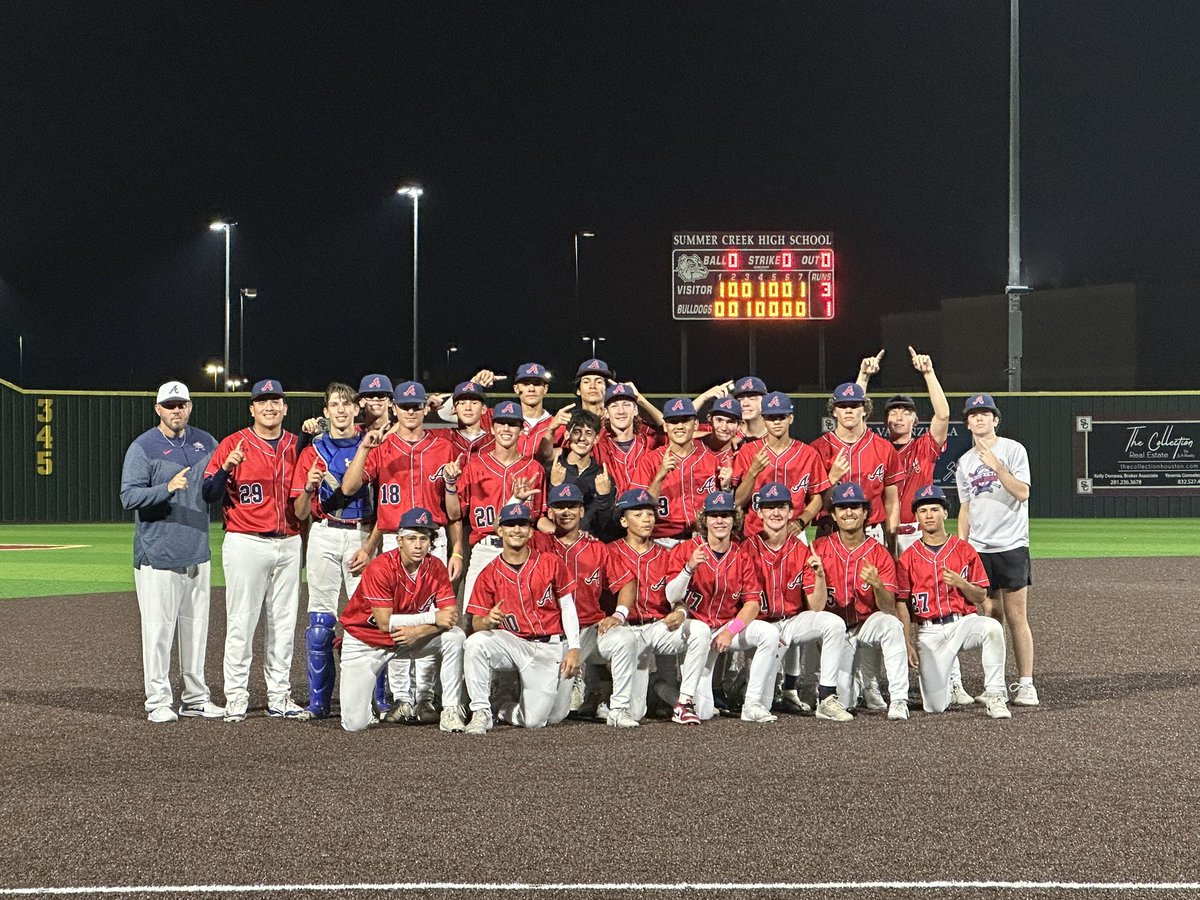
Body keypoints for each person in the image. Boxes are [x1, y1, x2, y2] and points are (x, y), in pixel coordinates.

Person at [340, 380, 462, 723]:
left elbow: (453, 512)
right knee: (391, 620)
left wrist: (457, 551)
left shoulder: (443, 446)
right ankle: (402, 697)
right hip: (393, 539)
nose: (411, 411)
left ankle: (424, 696)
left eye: (417, 406)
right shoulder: (380, 446)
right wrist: (364, 448)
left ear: (426, 408)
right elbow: (349, 488)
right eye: (405, 406)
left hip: (431, 539)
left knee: (435, 624)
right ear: (395, 408)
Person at [119, 381, 222, 724]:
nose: (177, 410)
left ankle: (195, 697)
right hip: (157, 554)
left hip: (197, 550)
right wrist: (166, 488)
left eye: (182, 404)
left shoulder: (206, 442)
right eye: (170, 404)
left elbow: (217, 487)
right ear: (158, 408)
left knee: (196, 630)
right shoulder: (143, 447)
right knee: (158, 631)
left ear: (190, 406)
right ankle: (158, 700)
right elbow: (129, 497)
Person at [202, 378, 304, 722]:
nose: (270, 407)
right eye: (263, 401)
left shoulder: (297, 445)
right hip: (245, 541)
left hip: (290, 541)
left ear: (285, 407)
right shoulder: (234, 443)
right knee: (241, 622)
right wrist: (228, 467)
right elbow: (209, 493)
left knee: (284, 623)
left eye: (276, 401)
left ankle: (280, 695)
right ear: (252, 408)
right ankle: (236, 696)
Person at [337, 507, 467, 733]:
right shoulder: (380, 567)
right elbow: (385, 624)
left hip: (406, 639)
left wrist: (418, 632)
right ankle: (369, 706)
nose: (418, 545)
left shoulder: (436, 567)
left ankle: (451, 709)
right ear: (399, 541)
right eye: (412, 538)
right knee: (354, 724)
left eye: (424, 538)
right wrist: (430, 618)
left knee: (455, 637)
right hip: (366, 641)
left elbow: (450, 617)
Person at [290, 382, 374, 720]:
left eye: (346, 403)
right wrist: (309, 489)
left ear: (356, 409)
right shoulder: (314, 450)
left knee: (369, 621)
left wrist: (371, 545)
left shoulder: (372, 443)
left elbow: (380, 499)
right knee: (321, 623)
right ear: (325, 412)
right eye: (334, 404)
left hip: (361, 533)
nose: (340, 409)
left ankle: (374, 699)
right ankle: (319, 703)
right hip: (324, 533)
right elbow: (298, 513)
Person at [461, 502, 582, 734]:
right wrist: (487, 620)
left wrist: (574, 647)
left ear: (530, 531)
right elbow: (476, 622)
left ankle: (501, 707)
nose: (516, 529)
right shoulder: (489, 573)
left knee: (545, 719)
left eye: (522, 525)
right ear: (500, 531)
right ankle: (481, 711)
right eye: (509, 525)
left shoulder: (550, 563)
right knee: (475, 643)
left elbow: (567, 605)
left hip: (549, 646)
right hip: (513, 643)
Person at [663, 491, 779, 724]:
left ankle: (752, 703)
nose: (720, 521)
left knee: (770, 633)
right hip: (695, 632)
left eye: (725, 515)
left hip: (725, 628)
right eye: (714, 515)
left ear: (733, 519)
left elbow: (752, 603)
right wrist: (689, 568)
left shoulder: (741, 556)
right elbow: (671, 596)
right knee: (704, 712)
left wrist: (731, 631)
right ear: (704, 520)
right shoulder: (686, 550)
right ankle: (661, 687)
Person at [897, 485, 1011, 718]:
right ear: (916, 516)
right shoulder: (908, 557)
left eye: (935, 509)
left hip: (963, 624)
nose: (929, 515)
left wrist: (962, 584)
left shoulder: (963, 549)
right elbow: (901, 603)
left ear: (945, 513)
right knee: (935, 706)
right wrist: (907, 641)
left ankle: (996, 694)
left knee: (991, 628)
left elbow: (980, 596)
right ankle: (949, 682)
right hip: (929, 633)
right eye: (923, 510)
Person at [744, 482, 853, 722]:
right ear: (759, 512)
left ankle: (826, 698)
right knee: (763, 702)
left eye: (781, 507)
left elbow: (816, 606)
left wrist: (821, 576)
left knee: (833, 623)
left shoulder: (802, 549)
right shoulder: (747, 549)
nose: (775, 513)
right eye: (769, 507)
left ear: (790, 511)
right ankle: (742, 691)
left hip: (792, 622)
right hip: (759, 626)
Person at [956, 393, 1038, 706]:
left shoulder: (1013, 450)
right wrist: (963, 544)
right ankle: (996, 684)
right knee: (990, 617)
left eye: (985, 413)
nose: (979, 418)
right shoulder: (964, 462)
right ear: (967, 423)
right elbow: (965, 507)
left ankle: (1027, 684)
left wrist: (998, 468)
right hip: (980, 549)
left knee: (1017, 616)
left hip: (1012, 544)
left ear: (995, 420)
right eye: (974, 414)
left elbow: (1022, 493)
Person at [805, 482, 911, 721]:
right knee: (844, 700)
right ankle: (852, 684)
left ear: (865, 513)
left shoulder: (878, 553)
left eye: (855, 507)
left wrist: (878, 585)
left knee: (892, 625)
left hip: (865, 624)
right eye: (842, 508)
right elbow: (814, 608)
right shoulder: (819, 549)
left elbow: (887, 606)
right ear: (833, 514)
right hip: (834, 632)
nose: (849, 512)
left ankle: (899, 699)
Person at [601, 488, 706, 726]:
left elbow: (677, 599)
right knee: (636, 713)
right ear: (623, 520)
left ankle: (684, 702)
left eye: (649, 513)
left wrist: (681, 612)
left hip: (657, 628)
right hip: (624, 632)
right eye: (638, 514)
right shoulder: (609, 552)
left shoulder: (666, 554)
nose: (646, 519)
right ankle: (656, 685)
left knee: (699, 630)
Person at [444, 399, 548, 608]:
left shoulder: (534, 468)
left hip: (521, 550)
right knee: (472, 616)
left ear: (522, 429)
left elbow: (538, 518)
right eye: (501, 423)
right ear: (492, 428)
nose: (506, 429)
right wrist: (450, 484)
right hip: (484, 548)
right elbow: (455, 514)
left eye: (512, 424)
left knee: (518, 614)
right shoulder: (474, 466)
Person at [532, 483, 619, 719]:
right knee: (550, 715)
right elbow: (507, 527)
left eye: (572, 506)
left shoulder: (597, 547)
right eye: (559, 507)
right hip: (549, 632)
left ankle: (615, 703)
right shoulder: (539, 543)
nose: (566, 512)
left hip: (588, 628)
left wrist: (619, 614)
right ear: (550, 513)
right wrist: (516, 501)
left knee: (626, 639)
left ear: (582, 511)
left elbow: (625, 582)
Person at [855, 347, 952, 554]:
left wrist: (929, 373)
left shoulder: (924, 447)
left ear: (915, 420)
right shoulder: (875, 448)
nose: (899, 417)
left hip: (917, 533)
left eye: (906, 412)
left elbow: (943, 416)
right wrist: (863, 377)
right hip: (879, 531)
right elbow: (855, 416)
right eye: (894, 412)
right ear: (886, 420)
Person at [813, 382, 903, 552]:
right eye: (842, 405)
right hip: (830, 531)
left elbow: (891, 502)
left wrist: (892, 544)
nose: (848, 410)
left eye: (854, 405)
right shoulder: (817, 449)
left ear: (864, 410)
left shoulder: (883, 448)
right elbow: (813, 504)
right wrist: (831, 479)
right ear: (834, 410)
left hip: (872, 531)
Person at [733, 391, 829, 538]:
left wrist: (801, 521)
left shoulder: (808, 453)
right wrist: (753, 472)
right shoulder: (748, 451)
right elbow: (738, 501)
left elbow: (816, 498)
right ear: (763, 420)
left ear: (791, 418)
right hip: (756, 533)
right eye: (771, 418)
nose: (777, 422)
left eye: (781, 417)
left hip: (794, 533)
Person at [634, 397, 728, 546]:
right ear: (665, 426)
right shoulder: (650, 461)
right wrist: (659, 477)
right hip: (662, 541)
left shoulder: (711, 461)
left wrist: (727, 489)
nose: (679, 426)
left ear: (696, 424)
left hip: (702, 540)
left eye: (685, 421)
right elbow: (638, 509)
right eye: (673, 421)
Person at [547, 409, 615, 537]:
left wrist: (604, 497)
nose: (582, 438)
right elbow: (542, 515)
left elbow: (605, 526)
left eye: (588, 433)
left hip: (589, 545)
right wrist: (554, 486)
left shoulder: (603, 478)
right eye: (577, 432)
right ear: (567, 435)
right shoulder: (551, 469)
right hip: (555, 542)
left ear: (596, 438)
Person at [593, 382, 664, 494]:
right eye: (614, 406)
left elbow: (668, 427)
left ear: (635, 410)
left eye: (626, 404)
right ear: (606, 413)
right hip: (610, 509)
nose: (621, 411)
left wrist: (640, 399)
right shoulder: (598, 446)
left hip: (644, 509)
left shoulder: (650, 443)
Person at [732, 376, 769, 441]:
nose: (745, 404)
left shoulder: (775, 434)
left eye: (752, 399)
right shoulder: (729, 434)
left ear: (765, 401)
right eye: (740, 400)